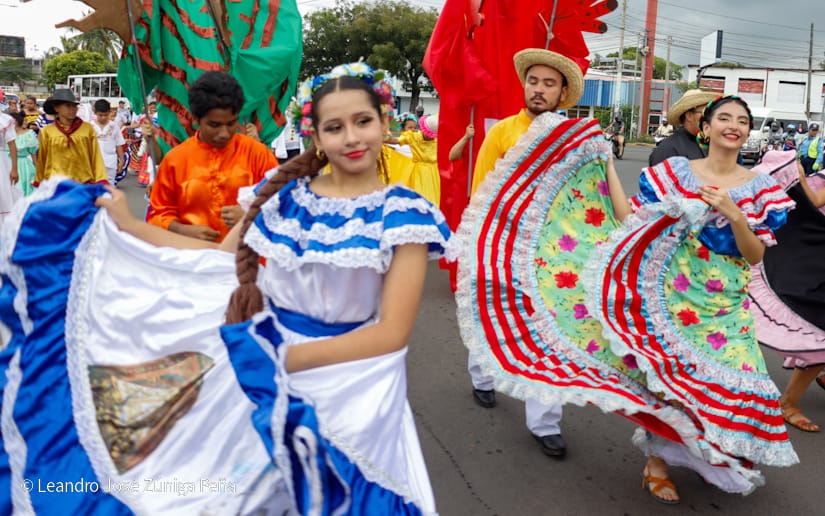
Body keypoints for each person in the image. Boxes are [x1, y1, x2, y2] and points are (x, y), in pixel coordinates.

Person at [0, 62, 449, 514]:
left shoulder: (405, 213)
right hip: (262, 368)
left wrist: (274, 358)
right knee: (225, 489)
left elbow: (391, 333)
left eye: (363, 121)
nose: (351, 138)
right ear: (315, 135)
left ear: (385, 121)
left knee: (336, 495)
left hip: (353, 389)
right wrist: (130, 226)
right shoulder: (285, 197)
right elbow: (216, 259)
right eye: (335, 126)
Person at [458, 94, 798, 504]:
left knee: (738, 383)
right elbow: (629, 219)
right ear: (704, 129)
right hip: (671, 296)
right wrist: (607, 168)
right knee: (667, 382)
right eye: (723, 117)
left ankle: (709, 454)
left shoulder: (759, 186)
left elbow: (755, 254)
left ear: (746, 132)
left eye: (741, 120)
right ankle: (657, 462)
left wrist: (734, 213)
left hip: (725, 302)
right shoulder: (674, 173)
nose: (734, 125)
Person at [466, 48, 591, 459]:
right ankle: (483, 377)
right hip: (498, 241)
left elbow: (583, 196)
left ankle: (545, 422)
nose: (538, 89)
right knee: (492, 315)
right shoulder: (501, 132)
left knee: (546, 333)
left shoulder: (571, 139)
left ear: (563, 92)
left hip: (552, 251)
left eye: (548, 83)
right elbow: (481, 189)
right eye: (533, 81)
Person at [148, 71, 278, 243]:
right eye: (214, 125)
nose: (224, 134)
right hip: (193, 261)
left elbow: (284, 202)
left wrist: (251, 214)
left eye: (231, 123)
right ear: (196, 120)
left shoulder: (257, 154)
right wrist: (182, 230)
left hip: (246, 261)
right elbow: (157, 214)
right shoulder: (175, 160)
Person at [749, 150, 825, 433]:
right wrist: (799, 178)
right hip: (814, 259)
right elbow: (813, 201)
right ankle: (788, 403)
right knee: (819, 335)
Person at [35, 88, 107, 185]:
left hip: (83, 183)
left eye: (75, 106)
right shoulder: (47, 132)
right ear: (56, 108)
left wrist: (101, 180)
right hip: (56, 185)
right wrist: (39, 181)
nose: (72, 109)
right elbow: (42, 159)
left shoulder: (87, 129)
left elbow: (96, 156)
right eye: (68, 106)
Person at [649, 88, 718, 166]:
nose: (710, 117)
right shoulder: (668, 150)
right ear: (689, 116)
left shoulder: (708, 144)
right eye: (705, 112)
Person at [91, 99, 126, 187]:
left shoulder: (114, 126)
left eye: (105, 115)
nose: (103, 117)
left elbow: (118, 144)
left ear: (109, 112)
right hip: (93, 163)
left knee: (109, 188)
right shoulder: (89, 126)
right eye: (100, 115)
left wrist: (121, 160)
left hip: (110, 163)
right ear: (95, 112)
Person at [8, 111, 37, 196]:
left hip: (24, 167)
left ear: (15, 121)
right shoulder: (4, 134)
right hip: (6, 164)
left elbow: (33, 155)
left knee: (22, 189)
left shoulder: (28, 135)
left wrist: (38, 173)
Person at [0, 109, 18, 218]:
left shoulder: (5, 120)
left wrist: (14, 169)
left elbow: (12, 145)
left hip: (1, 163)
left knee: (3, 195)